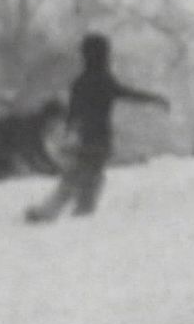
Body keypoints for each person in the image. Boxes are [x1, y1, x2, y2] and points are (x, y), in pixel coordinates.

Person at [25, 34, 168, 222]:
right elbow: (129, 94)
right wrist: (154, 99)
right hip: (101, 139)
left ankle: (62, 213)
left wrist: (68, 131)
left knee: (79, 175)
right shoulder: (105, 80)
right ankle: (78, 213)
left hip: (83, 138)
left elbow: (73, 113)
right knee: (88, 176)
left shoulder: (80, 82)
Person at [0, 99, 65, 181]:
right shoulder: (32, 127)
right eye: (56, 120)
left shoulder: (33, 123)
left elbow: (35, 154)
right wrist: (53, 170)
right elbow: (34, 153)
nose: (56, 124)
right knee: (0, 177)